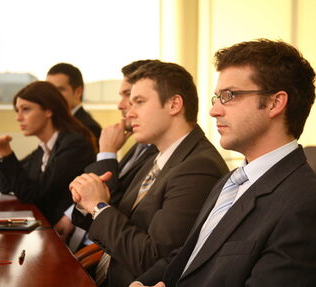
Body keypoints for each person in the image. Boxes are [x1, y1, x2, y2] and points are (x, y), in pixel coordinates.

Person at [129, 39, 316, 287]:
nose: (214, 111)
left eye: (229, 96)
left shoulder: (308, 206)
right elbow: (190, 255)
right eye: (217, 97)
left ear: (275, 102)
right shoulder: (230, 181)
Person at [69, 61, 228, 286]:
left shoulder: (198, 167)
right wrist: (88, 198)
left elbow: (153, 260)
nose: (129, 113)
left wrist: (98, 207)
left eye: (140, 102)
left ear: (174, 104)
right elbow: (120, 215)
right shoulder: (157, 154)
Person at [54, 60, 159, 248]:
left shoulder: (155, 149)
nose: (121, 105)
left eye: (134, 97)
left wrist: (107, 153)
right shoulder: (139, 145)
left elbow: (113, 201)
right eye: (126, 96)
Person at [0, 81, 97, 225]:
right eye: (17, 110)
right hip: (44, 223)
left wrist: (7, 152)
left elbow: (30, 194)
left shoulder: (73, 144)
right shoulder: (44, 147)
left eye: (26, 109)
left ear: (48, 111)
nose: (18, 117)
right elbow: (7, 184)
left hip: (65, 232)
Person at [47, 62, 102, 141]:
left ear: (78, 92)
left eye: (60, 90)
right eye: (50, 89)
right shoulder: (53, 124)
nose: (53, 95)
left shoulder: (88, 128)